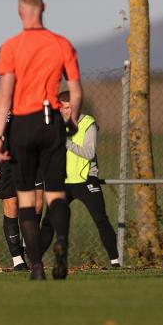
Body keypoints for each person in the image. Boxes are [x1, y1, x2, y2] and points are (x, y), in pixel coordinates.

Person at [0, 0, 82, 280]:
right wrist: (73, 121)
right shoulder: (61, 44)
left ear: (20, 11)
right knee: (56, 193)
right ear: (43, 7)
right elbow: (77, 92)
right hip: (51, 119)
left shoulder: (11, 46)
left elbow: (3, 96)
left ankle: (36, 267)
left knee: (26, 199)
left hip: (22, 124)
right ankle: (62, 244)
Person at [0, 58, 44, 271]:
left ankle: (28, 244)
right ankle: (17, 259)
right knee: (12, 205)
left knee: (36, 203)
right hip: (4, 157)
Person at [56, 91, 121, 266]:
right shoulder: (55, 124)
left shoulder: (88, 124)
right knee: (51, 222)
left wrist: (66, 142)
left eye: (67, 107)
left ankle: (115, 261)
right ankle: (38, 262)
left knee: (101, 219)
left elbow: (89, 152)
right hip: (63, 181)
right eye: (61, 108)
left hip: (86, 180)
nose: (64, 111)